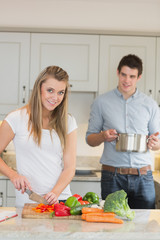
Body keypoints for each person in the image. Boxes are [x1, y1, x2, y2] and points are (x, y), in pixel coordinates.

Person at [86, 54, 160, 209]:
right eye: (124, 75)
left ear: (139, 77)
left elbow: (157, 142)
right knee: (112, 227)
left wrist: (154, 143)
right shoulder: (101, 102)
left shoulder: (150, 105)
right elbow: (90, 139)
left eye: (132, 76)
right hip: (112, 176)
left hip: (143, 177)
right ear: (117, 72)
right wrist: (102, 136)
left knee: (144, 226)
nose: (127, 80)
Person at [0, 66, 77, 207]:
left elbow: (69, 168)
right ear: (39, 88)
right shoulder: (16, 118)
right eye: (50, 90)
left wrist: (55, 193)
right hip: (29, 201)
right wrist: (13, 175)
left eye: (61, 92)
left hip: (61, 199)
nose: (55, 98)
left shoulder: (68, 122)